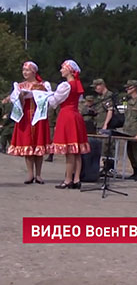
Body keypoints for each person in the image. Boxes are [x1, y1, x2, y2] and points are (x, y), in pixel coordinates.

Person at [46, 59, 90, 189]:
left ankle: (68, 179)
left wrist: (47, 93)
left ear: (69, 70)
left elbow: (54, 102)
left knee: (70, 150)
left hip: (67, 116)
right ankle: (76, 179)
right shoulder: (77, 84)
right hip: (76, 115)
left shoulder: (65, 85)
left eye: (62, 68)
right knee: (76, 151)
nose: (61, 70)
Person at [6, 61, 51, 183]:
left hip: (38, 117)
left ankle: (39, 174)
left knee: (38, 145)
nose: (25, 72)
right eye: (23, 70)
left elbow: (47, 99)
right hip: (25, 117)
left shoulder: (42, 85)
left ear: (34, 72)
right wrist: (20, 96)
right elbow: (15, 101)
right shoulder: (20, 86)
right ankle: (30, 173)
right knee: (28, 145)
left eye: (27, 70)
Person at [122, 80, 137, 181]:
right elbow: (124, 113)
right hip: (128, 131)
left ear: (134, 88)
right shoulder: (129, 101)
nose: (127, 90)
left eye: (129, 88)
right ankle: (134, 171)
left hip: (135, 131)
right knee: (130, 152)